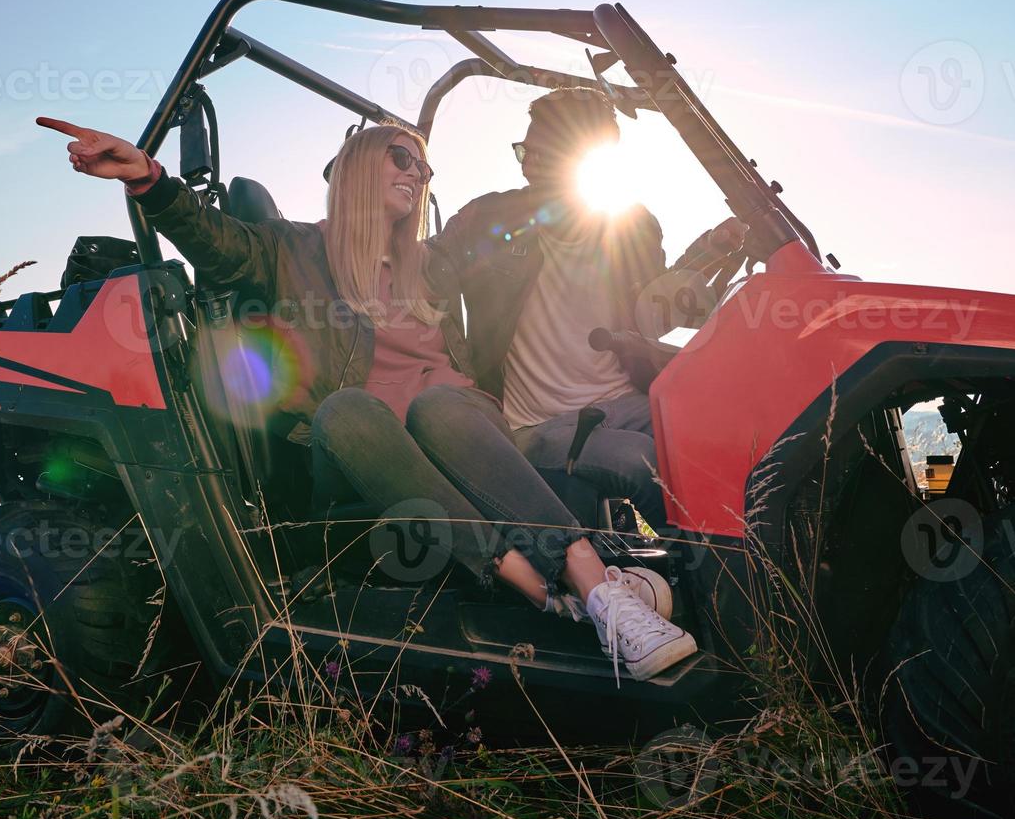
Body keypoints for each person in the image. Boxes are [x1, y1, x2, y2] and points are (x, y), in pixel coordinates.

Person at [35, 115, 697, 683]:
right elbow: (214, 240)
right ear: (354, 167)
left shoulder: (433, 262)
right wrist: (149, 178)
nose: (418, 172)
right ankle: (550, 595)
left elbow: (526, 221)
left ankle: (596, 596)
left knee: (438, 405)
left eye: (425, 166)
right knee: (350, 408)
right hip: (364, 462)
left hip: (461, 441)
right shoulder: (292, 249)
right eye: (402, 157)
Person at [431, 87, 724, 530]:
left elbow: (654, 307)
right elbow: (423, 266)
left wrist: (710, 253)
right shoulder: (484, 221)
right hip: (534, 424)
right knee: (645, 464)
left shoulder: (634, 226)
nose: (527, 162)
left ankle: (770, 567)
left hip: (624, 400)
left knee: (718, 424)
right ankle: (717, 586)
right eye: (522, 150)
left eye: (539, 151)